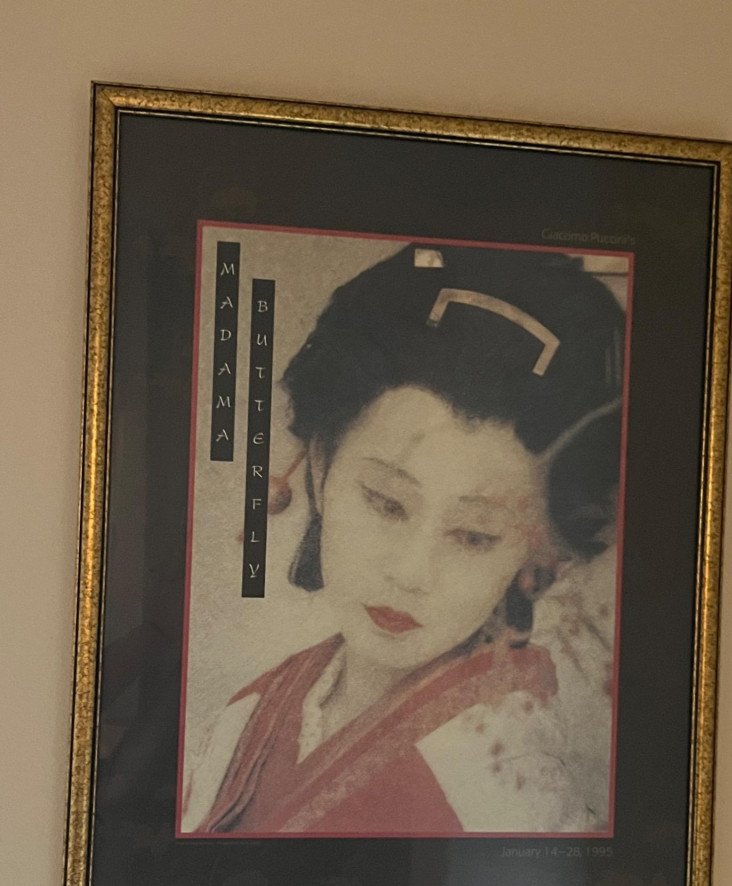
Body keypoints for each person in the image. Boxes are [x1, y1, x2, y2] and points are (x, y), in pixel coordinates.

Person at [183, 243, 625, 835]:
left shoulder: (504, 783)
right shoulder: (251, 714)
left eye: (474, 536)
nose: (411, 572)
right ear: (322, 464)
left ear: (538, 551)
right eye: (387, 503)